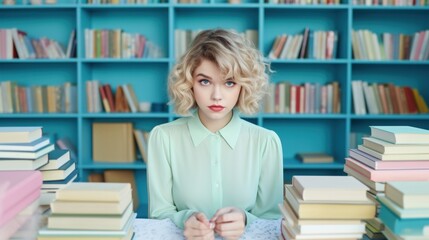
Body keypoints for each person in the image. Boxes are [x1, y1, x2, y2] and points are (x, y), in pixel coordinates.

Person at [147, 29, 283, 240]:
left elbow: (272, 221)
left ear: (242, 86)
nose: (217, 96)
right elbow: (158, 215)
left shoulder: (266, 142)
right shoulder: (163, 137)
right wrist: (187, 219)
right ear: (190, 83)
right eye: (205, 81)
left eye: (229, 83)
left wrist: (245, 219)